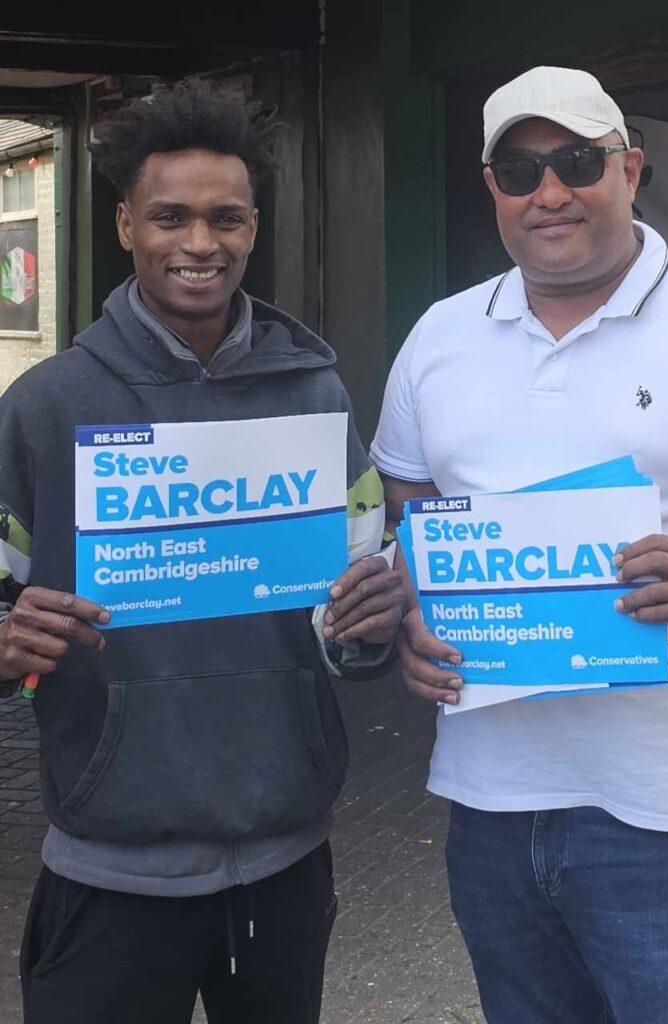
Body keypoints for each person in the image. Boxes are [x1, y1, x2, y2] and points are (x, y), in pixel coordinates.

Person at [370, 65, 668, 1023]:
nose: (548, 191)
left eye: (575, 161)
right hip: (490, 800)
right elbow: (411, 494)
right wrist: (420, 605)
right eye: (518, 171)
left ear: (631, 170)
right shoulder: (439, 336)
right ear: (491, 189)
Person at [0, 79, 404, 1024]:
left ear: (254, 227)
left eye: (225, 218)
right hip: (108, 868)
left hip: (285, 862)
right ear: (125, 225)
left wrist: (367, 629)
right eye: (170, 217)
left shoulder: (316, 399)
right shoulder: (46, 407)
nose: (199, 244)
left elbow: (351, 621)